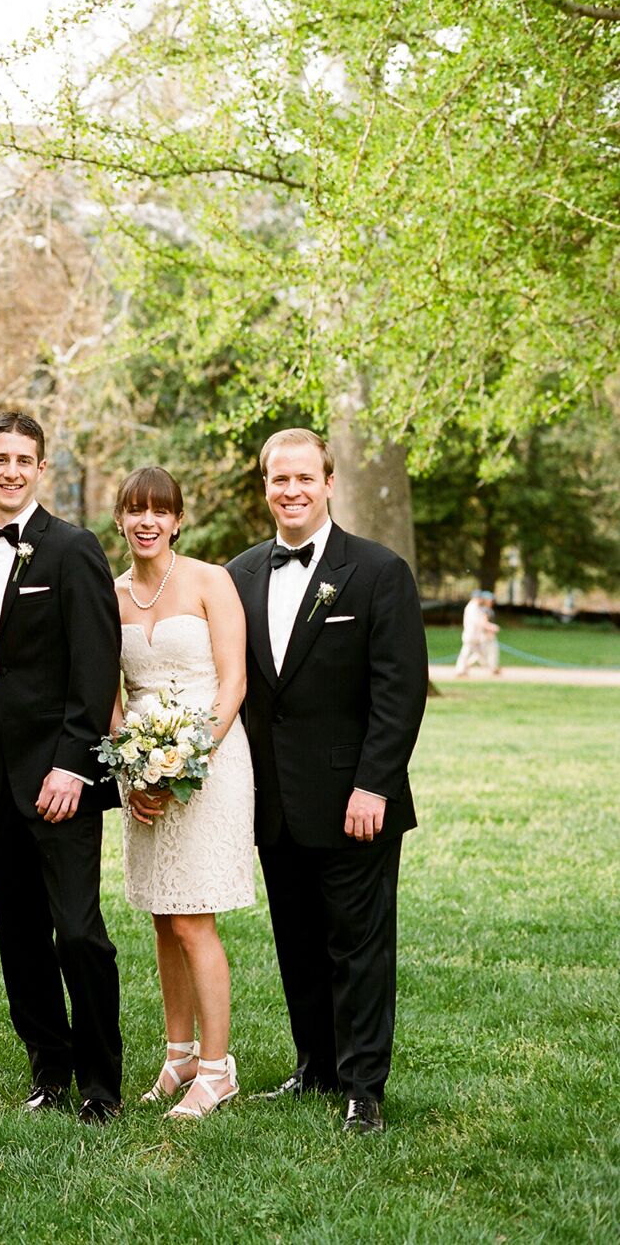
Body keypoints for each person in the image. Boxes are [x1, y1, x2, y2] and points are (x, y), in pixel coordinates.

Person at [227, 428, 428, 1135]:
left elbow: (400, 691)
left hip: (355, 802)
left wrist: (374, 785)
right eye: (279, 479)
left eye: (304, 478)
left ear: (329, 481)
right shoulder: (240, 574)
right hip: (274, 801)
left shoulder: (377, 572)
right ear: (265, 487)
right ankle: (315, 1066)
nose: (291, 490)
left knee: (359, 947)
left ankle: (363, 1088)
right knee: (299, 943)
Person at [0, 411, 125, 1124]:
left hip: (60, 777)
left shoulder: (73, 549)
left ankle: (101, 1082)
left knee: (79, 930)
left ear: (40, 469)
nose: (10, 470)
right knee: (18, 931)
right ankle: (47, 1070)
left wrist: (72, 765)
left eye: (23, 460)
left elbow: (95, 668)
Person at [110, 466, 255, 1119]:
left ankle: (219, 1070)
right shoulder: (109, 594)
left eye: (159, 512)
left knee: (194, 915)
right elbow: (108, 696)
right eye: (135, 510)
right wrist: (134, 769)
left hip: (209, 763)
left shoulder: (209, 582)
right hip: (140, 771)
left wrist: (184, 762)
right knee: (164, 917)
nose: (147, 522)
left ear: (177, 520)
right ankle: (180, 1055)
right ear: (120, 519)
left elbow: (233, 684)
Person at [453, 592, 501, 677]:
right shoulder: (472, 607)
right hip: (471, 634)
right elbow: (478, 622)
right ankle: (460, 669)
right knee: (467, 652)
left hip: (476, 635)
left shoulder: (476, 607)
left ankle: (491, 668)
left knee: (478, 653)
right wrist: (491, 627)